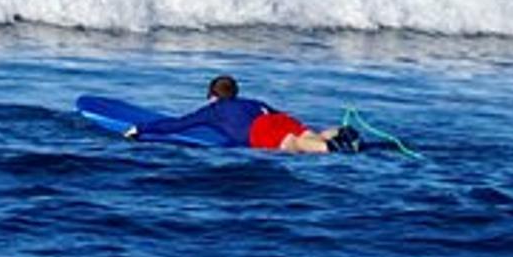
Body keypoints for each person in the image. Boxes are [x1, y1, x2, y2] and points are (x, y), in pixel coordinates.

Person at [125, 75, 361, 154]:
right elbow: (279, 115)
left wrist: (141, 129)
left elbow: (177, 124)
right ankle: (339, 133)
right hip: (276, 119)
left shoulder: (213, 110)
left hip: (260, 131)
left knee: (297, 145)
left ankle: (328, 148)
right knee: (308, 135)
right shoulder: (253, 102)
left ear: (213, 95)